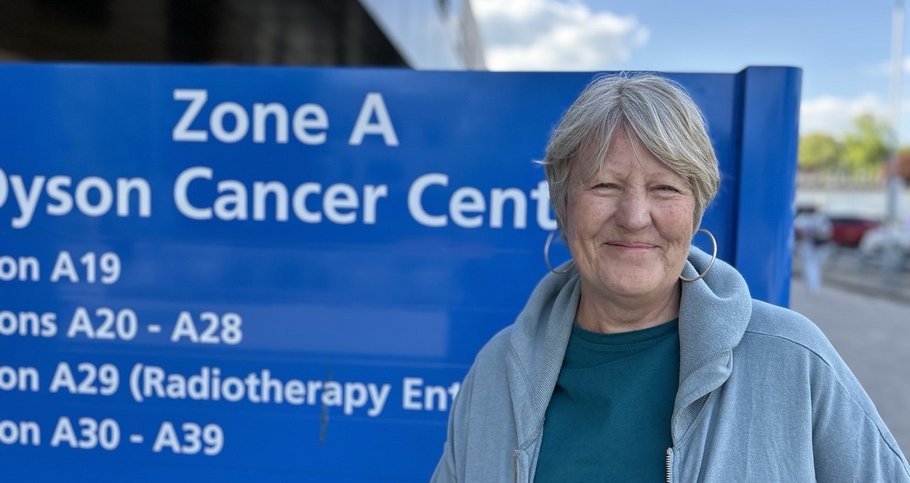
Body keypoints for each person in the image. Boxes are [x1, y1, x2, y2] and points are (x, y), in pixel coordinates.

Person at [431, 74, 909, 482]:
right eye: (604, 185)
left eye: (664, 188)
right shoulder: (497, 369)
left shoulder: (792, 358)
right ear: (563, 205)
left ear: (696, 209)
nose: (634, 216)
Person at [793, 203, 832, 292]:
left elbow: (799, 231)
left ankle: (811, 285)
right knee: (816, 265)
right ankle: (815, 285)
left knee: (810, 264)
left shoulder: (805, 219)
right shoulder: (822, 218)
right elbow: (828, 232)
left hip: (809, 244)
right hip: (820, 245)